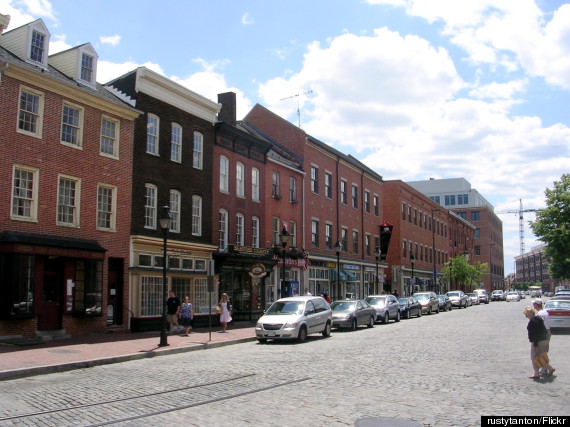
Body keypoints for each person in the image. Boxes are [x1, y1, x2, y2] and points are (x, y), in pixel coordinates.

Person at [523, 306, 555, 379]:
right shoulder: (539, 318)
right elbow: (544, 329)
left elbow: (534, 334)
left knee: (534, 357)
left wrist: (535, 345)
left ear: (528, 314)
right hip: (544, 339)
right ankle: (549, 368)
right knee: (540, 356)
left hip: (537, 341)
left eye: (525, 314)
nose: (525, 316)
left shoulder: (532, 322)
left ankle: (536, 373)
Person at [533, 298, 552, 374]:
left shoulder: (540, 314)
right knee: (544, 351)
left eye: (534, 304)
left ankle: (547, 368)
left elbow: (539, 326)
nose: (533, 305)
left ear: (536, 305)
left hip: (543, 333)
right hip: (547, 331)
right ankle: (544, 368)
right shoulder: (545, 312)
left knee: (540, 352)